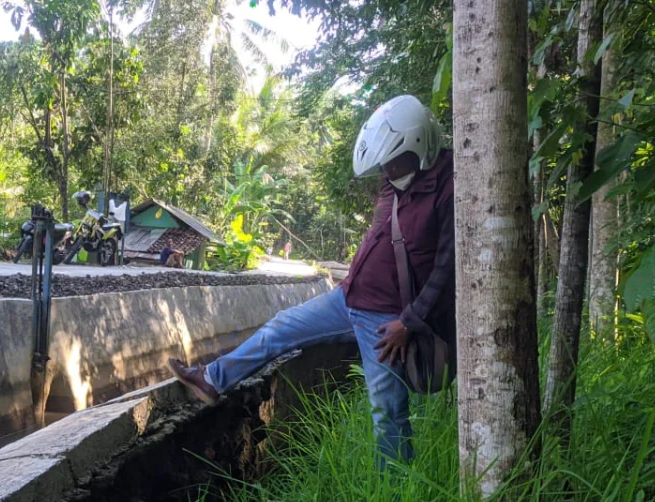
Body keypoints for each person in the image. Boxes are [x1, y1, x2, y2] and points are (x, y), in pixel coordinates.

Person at [168, 94, 455, 464]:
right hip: (347, 297)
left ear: (420, 148)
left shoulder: (449, 189)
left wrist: (409, 321)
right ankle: (212, 378)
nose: (389, 173)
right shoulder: (391, 180)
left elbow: (446, 269)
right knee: (279, 328)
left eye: (396, 165)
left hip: (387, 321)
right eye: (385, 167)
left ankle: (396, 496)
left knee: (387, 414)